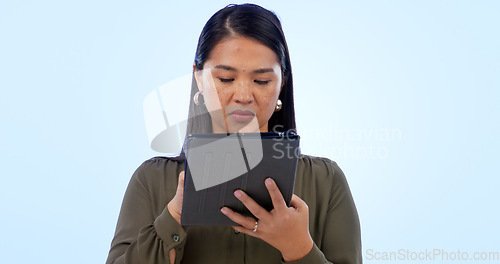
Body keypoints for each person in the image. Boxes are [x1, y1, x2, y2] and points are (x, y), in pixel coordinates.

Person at [106, 3, 361, 264]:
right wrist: (173, 216)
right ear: (199, 78)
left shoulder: (325, 182)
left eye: (261, 81)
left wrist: (299, 248)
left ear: (281, 83)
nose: (243, 96)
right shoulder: (152, 180)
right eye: (226, 79)